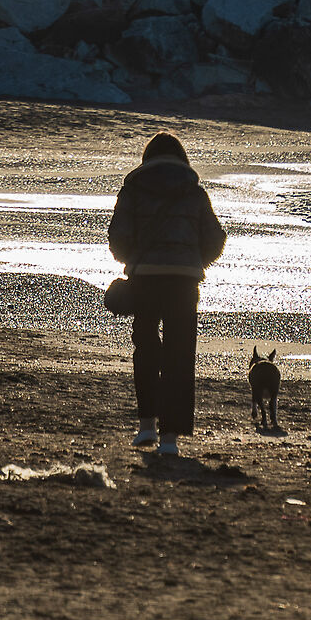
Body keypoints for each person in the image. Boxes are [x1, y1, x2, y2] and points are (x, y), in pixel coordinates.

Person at [107, 131, 226, 456]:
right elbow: (215, 239)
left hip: (145, 278)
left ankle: (146, 426)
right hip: (184, 281)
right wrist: (192, 260)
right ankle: (170, 438)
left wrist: (134, 259)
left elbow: (117, 237)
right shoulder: (194, 192)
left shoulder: (133, 189)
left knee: (145, 347)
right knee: (179, 354)